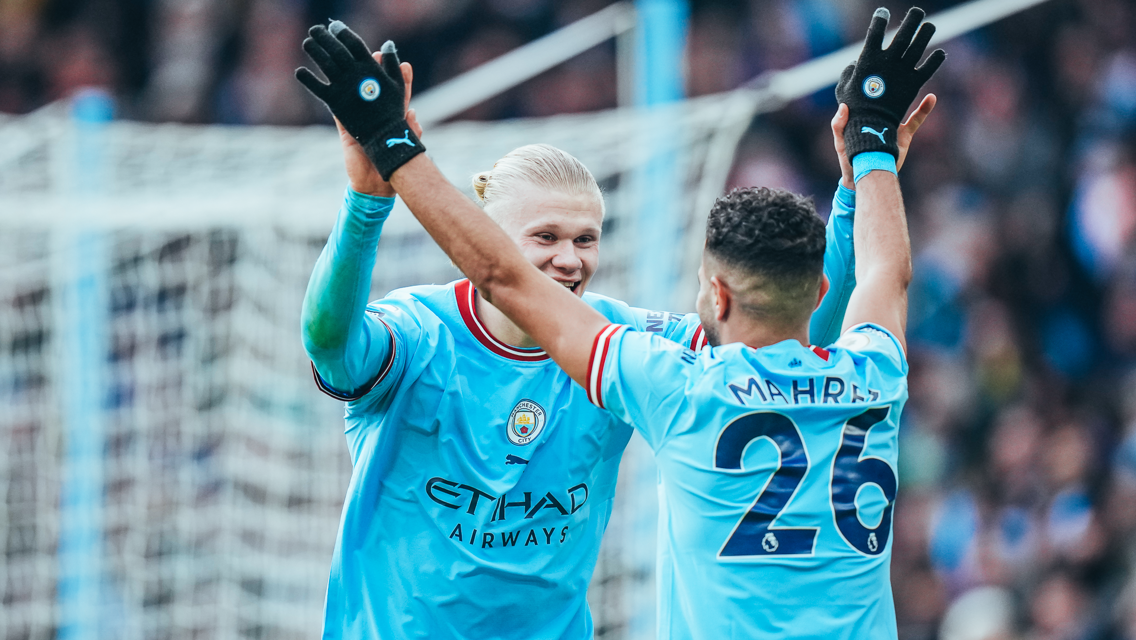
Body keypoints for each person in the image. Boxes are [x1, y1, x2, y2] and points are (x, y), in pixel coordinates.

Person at [294, 10, 936, 638]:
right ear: (488, 235)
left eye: (587, 239)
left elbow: (772, 337)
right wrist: (365, 205)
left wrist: (397, 150)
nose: (570, 259)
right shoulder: (419, 331)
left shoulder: (642, 351)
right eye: (545, 236)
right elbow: (331, 346)